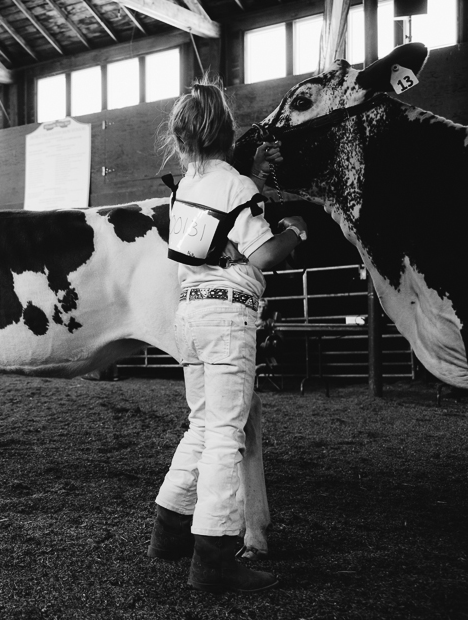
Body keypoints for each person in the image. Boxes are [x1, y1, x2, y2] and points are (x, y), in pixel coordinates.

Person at [147, 78, 307, 593]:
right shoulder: (238, 188)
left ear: (183, 138)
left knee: (200, 425)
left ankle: (168, 529)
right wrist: (295, 230)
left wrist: (252, 175)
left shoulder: (185, 188)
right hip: (226, 317)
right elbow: (261, 254)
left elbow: (218, 226)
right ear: (228, 131)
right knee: (224, 435)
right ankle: (213, 556)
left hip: (189, 316)